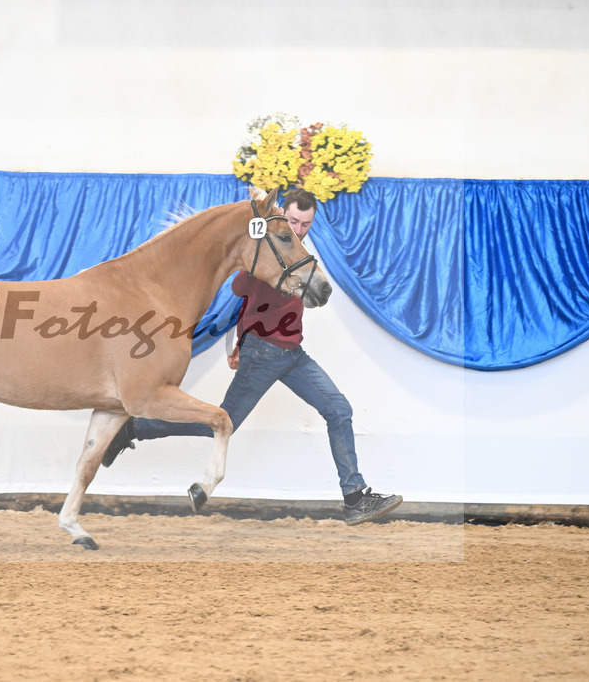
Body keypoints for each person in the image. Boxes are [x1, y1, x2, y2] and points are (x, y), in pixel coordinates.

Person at [101, 188, 402, 526]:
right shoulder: (270, 251)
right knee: (218, 424)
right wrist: (243, 341)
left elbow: (260, 301)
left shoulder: (293, 252)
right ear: (281, 216)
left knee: (339, 409)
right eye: (294, 221)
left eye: (306, 223)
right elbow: (241, 290)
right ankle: (133, 429)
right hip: (264, 353)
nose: (300, 229)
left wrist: (239, 340)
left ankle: (355, 498)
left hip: (292, 354)